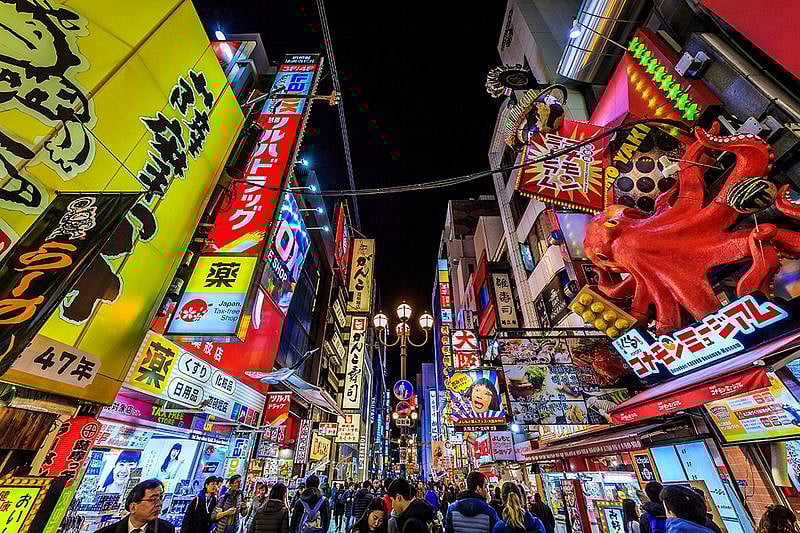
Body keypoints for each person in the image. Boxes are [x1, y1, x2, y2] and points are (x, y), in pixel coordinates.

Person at [97, 479, 175, 533]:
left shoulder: (167, 529)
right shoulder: (108, 531)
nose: (159, 504)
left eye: (161, 498)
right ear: (133, 507)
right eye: (153, 499)